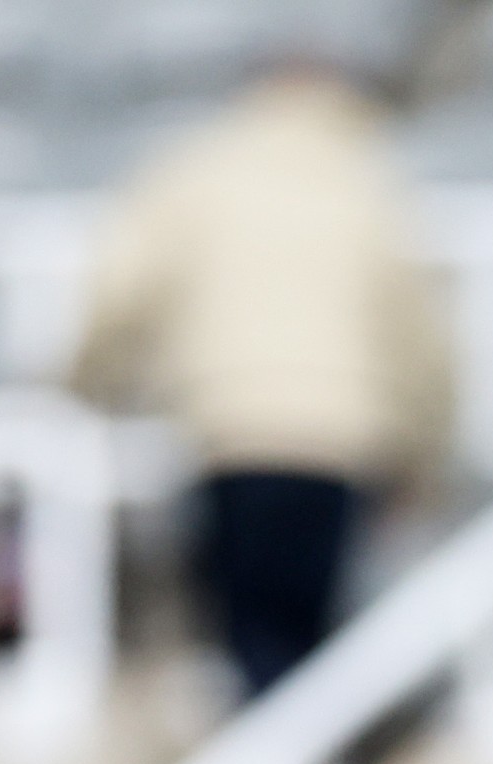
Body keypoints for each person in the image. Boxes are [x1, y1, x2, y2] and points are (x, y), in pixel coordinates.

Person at [69, 49, 448, 702]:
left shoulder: (195, 171)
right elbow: (419, 330)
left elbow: (121, 293)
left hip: (230, 431)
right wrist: (427, 444)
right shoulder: (366, 181)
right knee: (306, 631)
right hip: (341, 441)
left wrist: (80, 386)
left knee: (249, 637)